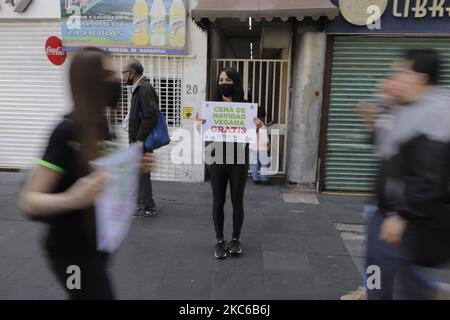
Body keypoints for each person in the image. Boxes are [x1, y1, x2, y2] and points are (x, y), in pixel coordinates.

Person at [18, 47, 154, 300]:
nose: (115, 81)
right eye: (107, 74)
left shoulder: (102, 127)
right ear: (88, 82)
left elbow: (102, 176)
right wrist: (74, 198)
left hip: (95, 244)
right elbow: (30, 200)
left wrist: (132, 167)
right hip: (69, 253)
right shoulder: (66, 131)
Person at [363, 49, 450, 299]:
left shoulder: (437, 113)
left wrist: (402, 215)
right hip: (387, 209)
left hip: (405, 215)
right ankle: (424, 291)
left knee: (383, 272)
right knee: (384, 269)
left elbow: (430, 175)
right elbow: (385, 148)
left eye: (401, 71)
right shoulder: (403, 106)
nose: (395, 77)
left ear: (420, 78)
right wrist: (378, 112)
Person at [196, 67, 264, 259]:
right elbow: (203, 132)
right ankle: (219, 241)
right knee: (218, 201)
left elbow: (254, 132)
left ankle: (235, 239)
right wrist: (198, 124)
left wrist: (258, 126)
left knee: (237, 200)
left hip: (239, 159)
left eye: (228, 80)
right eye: (221, 80)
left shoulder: (247, 107)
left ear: (235, 82)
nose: (224, 83)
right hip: (217, 158)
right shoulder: (210, 107)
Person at [123, 59, 159, 218]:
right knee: (139, 172)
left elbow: (150, 116)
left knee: (142, 173)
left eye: (124, 73)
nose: (123, 76)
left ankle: (147, 206)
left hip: (141, 141)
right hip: (137, 140)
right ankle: (142, 204)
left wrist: (139, 139)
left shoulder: (145, 89)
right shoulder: (139, 88)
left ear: (133, 72)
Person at [250, 108, 270, 185]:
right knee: (264, 164)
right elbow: (265, 139)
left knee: (254, 163)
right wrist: (268, 145)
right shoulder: (262, 126)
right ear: (263, 116)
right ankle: (264, 179)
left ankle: (255, 179)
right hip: (262, 148)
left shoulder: (252, 123)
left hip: (253, 147)